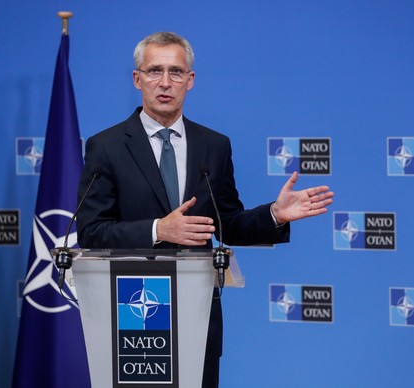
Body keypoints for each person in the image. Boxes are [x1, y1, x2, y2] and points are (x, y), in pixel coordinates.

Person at [76, 31, 334, 388]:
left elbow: (227, 223)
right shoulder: (105, 147)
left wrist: (275, 213)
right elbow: (91, 231)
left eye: (176, 72)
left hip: (196, 314)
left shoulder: (214, 145)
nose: (165, 82)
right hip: (132, 314)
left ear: (190, 80)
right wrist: (157, 231)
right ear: (137, 79)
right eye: (154, 71)